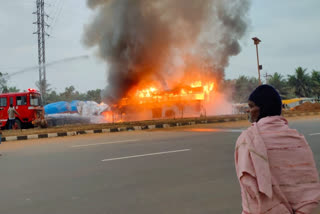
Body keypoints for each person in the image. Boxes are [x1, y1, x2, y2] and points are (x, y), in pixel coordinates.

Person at [235, 85, 320, 214]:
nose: (249, 111)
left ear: (261, 109)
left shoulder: (247, 140)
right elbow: (309, 187)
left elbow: (250, 190)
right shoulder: (298, 138)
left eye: (251, 106)